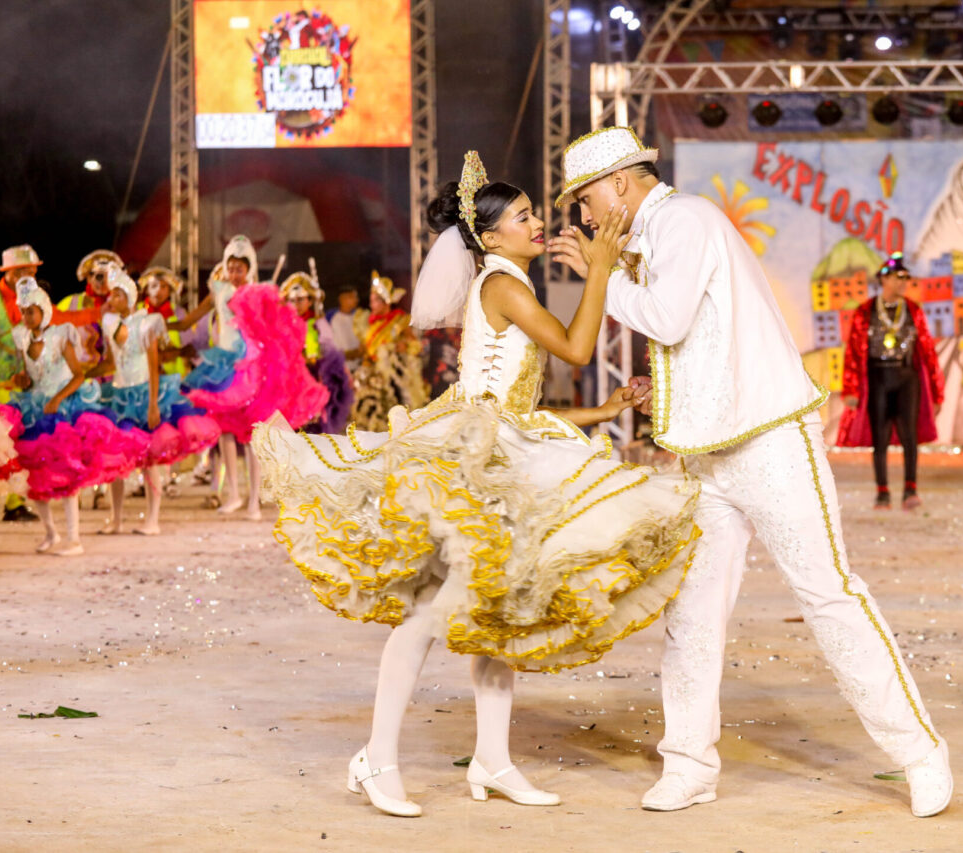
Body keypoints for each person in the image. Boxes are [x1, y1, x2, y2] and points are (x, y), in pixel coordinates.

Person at [250, 151, 700, 818]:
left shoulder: (503, 277)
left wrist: (601, 412)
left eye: (533, 212)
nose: (539, 222)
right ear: (491, 236)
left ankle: (492, 758)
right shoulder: (505, 283)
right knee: (431, 613)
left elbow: (511, 405)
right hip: (473, 463)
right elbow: (578, 351)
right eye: (523, 216)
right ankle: (376, 756)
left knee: (499, 608)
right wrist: (601, 270)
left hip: (496, 448)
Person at [549, 126, 952, 817]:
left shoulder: (684, 218)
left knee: (828, 595)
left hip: (770, 445)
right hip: (705, 460)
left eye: (584, 199)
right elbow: (692, 340)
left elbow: (667, 320)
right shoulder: (657, 235)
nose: (583, 218)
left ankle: (919, 752)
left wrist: (600, 273)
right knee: (693, 615)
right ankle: (688, 763)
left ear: (619, 183)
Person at [175, 236, 328, 520]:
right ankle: (233, 493)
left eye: (239, 269)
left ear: (249, 269)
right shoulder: (218, 290)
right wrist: (164, 327)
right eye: (230, 267)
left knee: (253, 435)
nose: (234, 274)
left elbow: (276, 324)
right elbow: (190, 320)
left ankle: (254, 500)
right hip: (222, 365)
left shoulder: (258, 293)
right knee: (224, 429)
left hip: (251, 368)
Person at [0, 278, 140, 554]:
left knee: (66, 474)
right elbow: (29, 376)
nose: (26, 317)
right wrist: (21, 379)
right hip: (34, 409)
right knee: (33, 476)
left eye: (31, 311)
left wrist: (58, 398)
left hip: (61, 412)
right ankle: (51, 533)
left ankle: (74, 539)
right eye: (23, 312)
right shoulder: (24, 338)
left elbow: (78, 374)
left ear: (44, 310)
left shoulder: (60, 336)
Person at [95, 269, 219, 535]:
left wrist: (153, 404)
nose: (112, 298)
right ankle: (116, 519)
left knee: (149, 460)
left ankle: (152, 520)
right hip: (118, 395)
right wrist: (83, 373)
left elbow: (153, 366)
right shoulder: (108, 323)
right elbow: (110, 362)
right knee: (116, 459)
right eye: (111, 294)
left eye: (117, 294)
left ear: (129, 298)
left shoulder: (147, 323)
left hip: (143, 395)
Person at [0, 245, 102, 522]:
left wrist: (99, 313)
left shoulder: (35, 303)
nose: (28, 275)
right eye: (22, 271)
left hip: (24, 388)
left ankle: (16, 503)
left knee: (23, 448)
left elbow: (63, 318)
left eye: (32, 270)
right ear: (9, 273)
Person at [837, 253, 944, 510]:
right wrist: (851, 387)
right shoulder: (865, 311)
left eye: (906, 278)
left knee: (910, 434)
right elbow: (852, 350)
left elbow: (927, 350)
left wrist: (936, 391)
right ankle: (882, 491)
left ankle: (910, 488)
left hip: (907, 378)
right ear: (885, 279)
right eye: (899, 277)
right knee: (880, 436)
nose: (904, 282)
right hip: (878, 377)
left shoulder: (913, 310)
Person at [349, 271, 428, 430]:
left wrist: (404, 346)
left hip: (393, 378)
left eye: (375, 301)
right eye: (371, 301)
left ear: (386, 302)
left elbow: (417, 345)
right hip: (373, 376)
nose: (372, 305)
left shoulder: (399, 321)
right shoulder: (368, 324)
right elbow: (367, 351)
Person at [280, 270, 354, 433]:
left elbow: (330, 348)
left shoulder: (317, 323)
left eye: (300, 299)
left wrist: (343, 372)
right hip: (289, 379)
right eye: (292, 300)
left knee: (313, 425)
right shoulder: (283, 325)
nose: (296, 304)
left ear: (309, 301)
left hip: (313, 377)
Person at [329, 287, 365, 371]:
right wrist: (357, 353)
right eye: (352, 297)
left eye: (356, 297)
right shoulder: (336, 321)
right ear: (342, 299)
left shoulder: (357, 317)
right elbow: (339, 353)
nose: (356, 300)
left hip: (360, 367)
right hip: (345, 370)